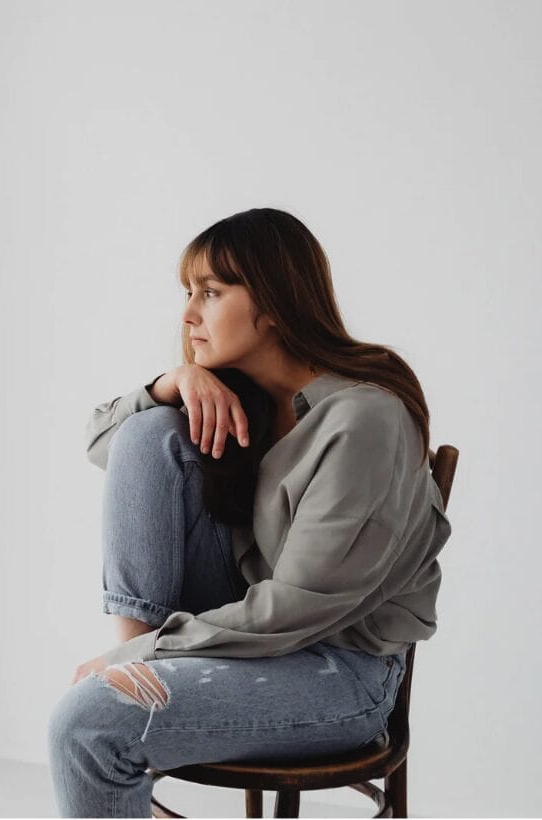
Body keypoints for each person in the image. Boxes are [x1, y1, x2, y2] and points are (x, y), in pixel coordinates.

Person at [47, 207, 452, 818]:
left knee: (87, 725)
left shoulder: (364, 419)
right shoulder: (250, 405)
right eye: (187, 293)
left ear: (274, 301)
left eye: (209, 293)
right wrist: (172, 383)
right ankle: (135, 689)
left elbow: (302, 605)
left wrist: (136, 657)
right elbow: (104, 446)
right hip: (250, 631)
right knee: (149, 432)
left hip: (339, 670)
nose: (188, 315)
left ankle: (133, 687)